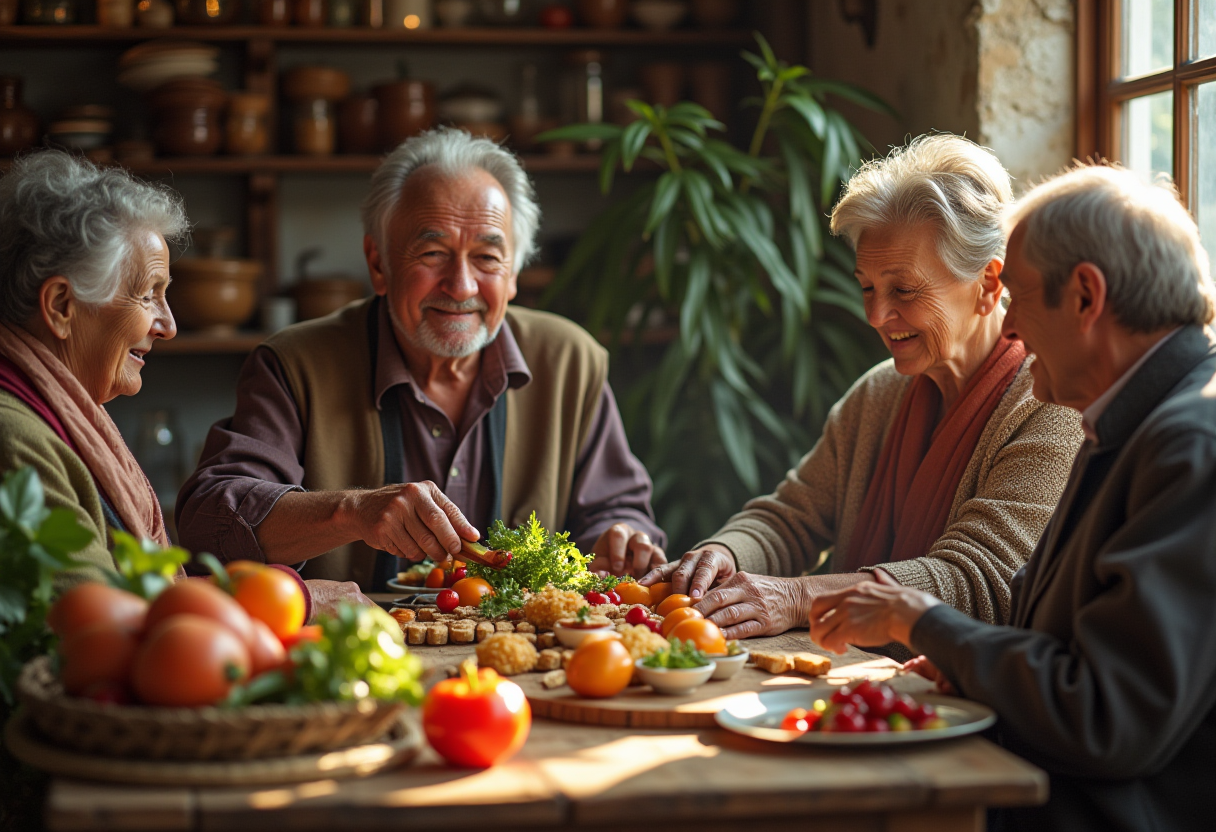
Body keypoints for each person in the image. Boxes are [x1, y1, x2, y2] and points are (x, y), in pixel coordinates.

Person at [809, 164, 1216, 832]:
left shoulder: (1191, 447)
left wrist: (923, 619)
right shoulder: (1123, 419)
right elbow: (1050, 638)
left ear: (1086, 297)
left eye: (1019, 297)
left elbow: (1105, 717)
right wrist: (970, 665)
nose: (1012, 328)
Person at [176, 128, 665, 589]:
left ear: (514, 274)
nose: (462, 286)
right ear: (378, 263)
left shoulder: (571, 362)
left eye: (488, 258)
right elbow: (209, 520)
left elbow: (616, 508)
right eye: (432, 253)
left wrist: (621, 538)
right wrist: (353, 511)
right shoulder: (294, 364)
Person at [643, 134, 1083, 640]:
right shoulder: (879, 394)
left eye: (904, 289)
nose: (876, 316)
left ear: (988, 284)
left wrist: (799, 596)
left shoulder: (1050, 402)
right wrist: (721, 557)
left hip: (965, 704)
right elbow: (791, 518)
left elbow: (976, 580)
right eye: (867, 287)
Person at [0, 151, 368, 617]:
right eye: (148, 293)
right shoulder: (14, 436)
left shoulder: (55, 420)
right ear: (60, 306)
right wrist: (293, 600)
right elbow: (100, 621)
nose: (168, 324)